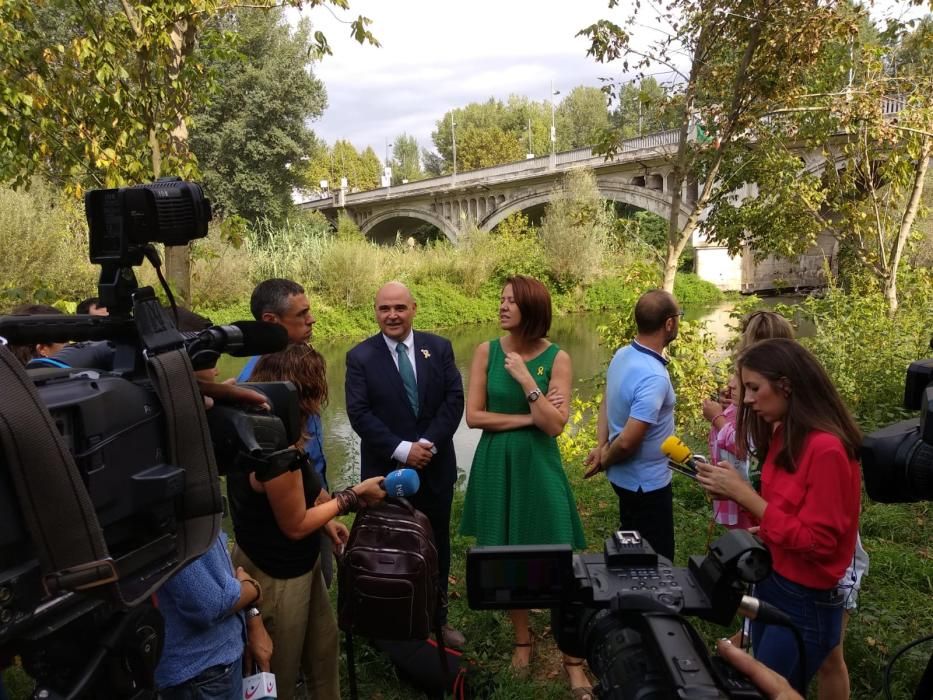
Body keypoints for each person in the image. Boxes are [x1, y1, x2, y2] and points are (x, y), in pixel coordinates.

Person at [696, 339, 862, 693]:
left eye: (755, 388)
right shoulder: (785, 433)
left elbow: (818, 542)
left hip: (807, 598)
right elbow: (786, 513)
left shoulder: (827, 449)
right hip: (776, 579)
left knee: (772, 688)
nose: (748, 399)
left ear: (787, 384)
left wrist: (745, 494)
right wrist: (749, 510)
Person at [459, 275, 590, 698]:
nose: (502, 307)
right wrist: (527, 416)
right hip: (498, 463)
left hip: (539, 464)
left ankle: (572, 656)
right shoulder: (485, 352)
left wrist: (525, 381)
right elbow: (474, 417)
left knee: (557, 553)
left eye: (511, 301)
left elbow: (555, 427)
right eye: (501, 300)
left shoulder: (558, 358)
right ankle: (522, 641)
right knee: (508, 553)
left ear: (531, 308)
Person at [232, 343, 360, 700]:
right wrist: (350, 498)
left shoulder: (272, 427)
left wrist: (326, 518)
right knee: (281, 669)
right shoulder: (274, 452)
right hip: (275, 575)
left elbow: (309, 486)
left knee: (323, 648)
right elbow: (296, 524)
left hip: (302, 566)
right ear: (302, 391)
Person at [344, 281, 466, 649]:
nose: (392, 315)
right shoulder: (360, 357)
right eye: (384, 309)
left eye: (399, 307)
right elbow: (359, 414)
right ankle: (388, 619)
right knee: (388, 544)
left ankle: (436, 620)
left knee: (437, 543)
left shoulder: (439, 348)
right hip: (385, 474)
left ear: (413, 308)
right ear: (375, 311)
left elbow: (454, 399)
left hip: (435, 465)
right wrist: (402, 450)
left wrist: (425, 445)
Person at [583, 289, 681, 561]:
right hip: (646, 486)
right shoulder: (654, 377)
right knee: (657, 562)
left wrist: (601, 445)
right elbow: (627, 441)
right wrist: (605, 458)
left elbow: (605, 400)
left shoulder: (623, 354)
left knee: (631, 546)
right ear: (669, 324)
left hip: (626, 482)